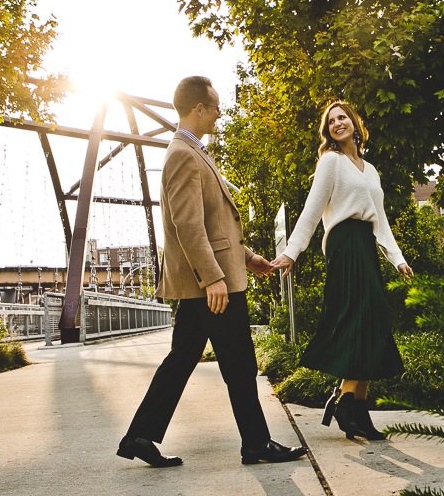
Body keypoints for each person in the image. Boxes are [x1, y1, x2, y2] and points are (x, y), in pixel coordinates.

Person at [118, 76, 308, 467]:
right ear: (199, 109)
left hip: (210, 281)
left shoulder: (190, 151)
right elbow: (189, 225)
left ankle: (139, 436)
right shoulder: (183, 154)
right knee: (239, 362)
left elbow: (215, 226)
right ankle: (256, 443)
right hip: (210, 287)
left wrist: (247, 257)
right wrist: (214, 277)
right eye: (216, 107)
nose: (220, 113)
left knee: (186, 359)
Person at [271, 101, 413, 441]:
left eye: (342, 117)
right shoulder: (331, 161)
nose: (337, 123)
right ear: (327, 131)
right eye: (331, 121)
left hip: (365, 244)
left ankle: (356, 409)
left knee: (372, 322)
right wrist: (292, 252)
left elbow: (381, 222)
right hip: (344, 244)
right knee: (357, 319)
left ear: (354, 123)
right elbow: (312, 208)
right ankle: (347, 402)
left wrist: (398, 258)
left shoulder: (371, 169)